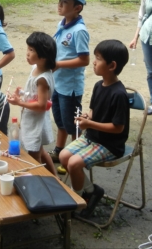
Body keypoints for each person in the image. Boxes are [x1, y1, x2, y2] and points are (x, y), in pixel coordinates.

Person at [59, 39, 130, 218]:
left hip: (110, 144)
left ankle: (78, 200)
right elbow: (93, 111)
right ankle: (91, 191)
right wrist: (86, 117)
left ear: (112, 65)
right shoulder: (99, 85)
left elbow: (117, 128)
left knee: (74, 163)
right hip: (93, 137)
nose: (94, 62)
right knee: (63, 156)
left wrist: (89, 124)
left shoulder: (119, 94)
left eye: (98, 58)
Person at [47, 0, 90, 172]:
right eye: (59, 1)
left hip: (71, 87)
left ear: (77, 8)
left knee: (74, 124)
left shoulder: (80, 31)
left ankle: (74, 157)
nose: (60, 5)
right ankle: (59, 150)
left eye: (65, 3)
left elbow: (84, 59)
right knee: (60, 120)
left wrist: (59, 65)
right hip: (58, 83)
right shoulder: (62, 24)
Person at [7, 32, 57, 175]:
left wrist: (19, 103)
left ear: (43, 55)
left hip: (36, 121)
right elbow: (34, 94)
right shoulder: (36, 69)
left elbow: (41, 105)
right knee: (40, 149)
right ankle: (55, 178)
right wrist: (22, 93)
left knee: (34, 157)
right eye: (28, 49)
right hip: (33, 118)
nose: (27, 53)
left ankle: (40, 182)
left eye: (31, 50)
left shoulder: (42, 78)